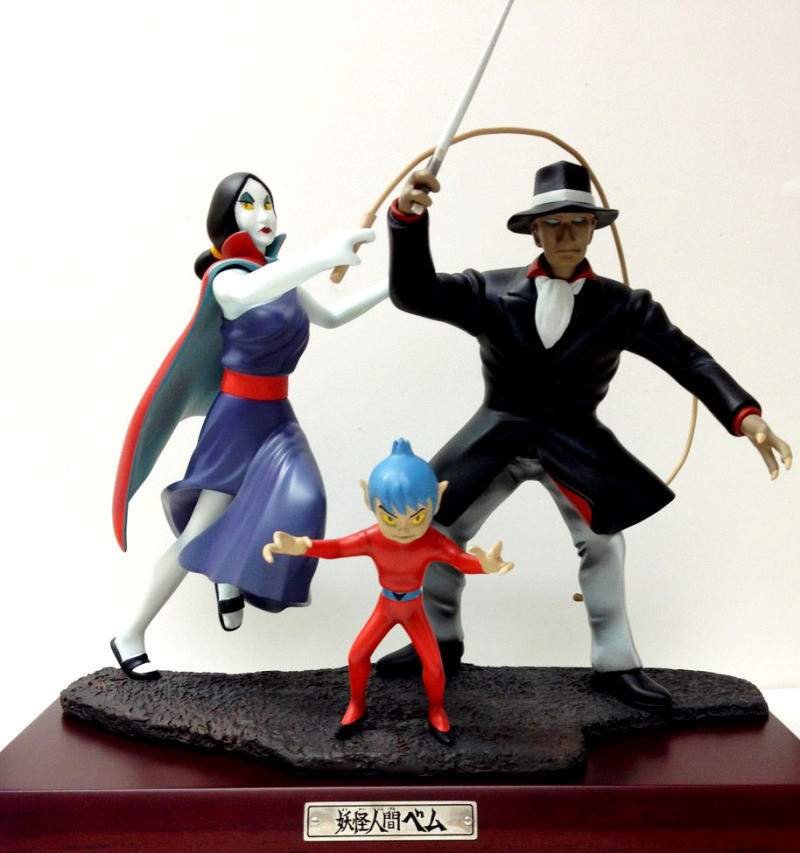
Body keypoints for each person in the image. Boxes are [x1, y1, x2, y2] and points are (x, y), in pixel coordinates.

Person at [378, 160, 792, 709]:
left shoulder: (624, 306)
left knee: (604, 544)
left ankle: (617, 662)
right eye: (554, 224)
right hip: (495, 435)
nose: (567, 235)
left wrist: (745, 415)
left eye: (579, 222)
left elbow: (689, 359)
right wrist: (407, 220)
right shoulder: (488, 292)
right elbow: (415, 292)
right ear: (534, 231)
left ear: (594, 228)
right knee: (431, 527)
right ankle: (436, 640)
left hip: (575, 443)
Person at [111, 171, 388, 680]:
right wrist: (323, 255)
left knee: (305, 499)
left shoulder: (280, 275)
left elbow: (331, 317)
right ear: (226, 217)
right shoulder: (228, 277)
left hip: (278, 416)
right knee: (198, 533)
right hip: (237, 420)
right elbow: (245, 296)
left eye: (268, 203)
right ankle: (130, 633)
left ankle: (229, 574)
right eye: (248, 204)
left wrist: (394, 287)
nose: (264, 214)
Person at [263, 439, 513, 745]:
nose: (404, 528)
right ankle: (356, 705)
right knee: (357, 655)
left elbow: (460, 561)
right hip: (387, 606)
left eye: (417, 517)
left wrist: (485, 565)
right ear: (369, 500)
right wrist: (302, 546)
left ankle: (437, 710)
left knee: (434, 665)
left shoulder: (431, 541)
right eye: (391, 517)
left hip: (414, 608)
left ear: (437, 499)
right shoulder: (373, 538)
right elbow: (338, 548)